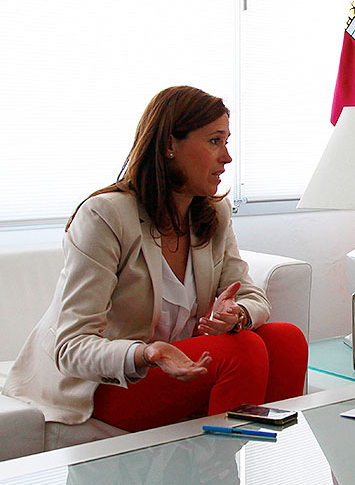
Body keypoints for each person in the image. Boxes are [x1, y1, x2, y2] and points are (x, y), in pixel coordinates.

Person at [2, 86, 308, 432]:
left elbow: (253, 298)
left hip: (176, 368)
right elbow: (71, 347)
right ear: (169, 146)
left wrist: (235, 315)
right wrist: (146, 353)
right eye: (214, 141)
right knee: (244, 351)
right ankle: (220, 471)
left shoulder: (212, 214)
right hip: (106, 382)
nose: (227, 157)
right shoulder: (105, 217)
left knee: (286, 340)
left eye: (227, 141)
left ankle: (277, 466)